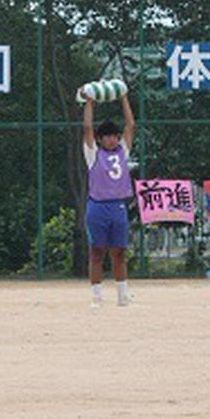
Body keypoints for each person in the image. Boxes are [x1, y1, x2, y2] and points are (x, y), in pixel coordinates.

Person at [82, 88, 136, 308]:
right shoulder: (93, 153)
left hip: (118, 207)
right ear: (100, 139)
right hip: (97, 207)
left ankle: (123, 294)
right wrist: (89, 102)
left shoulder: (123, 151)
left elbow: (130, 125)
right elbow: (87, 127)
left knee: (120, 252)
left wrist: (123, 97)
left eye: (114, 136)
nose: (112, 139)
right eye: (107, 136)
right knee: (96, 252)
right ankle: (96, 295)